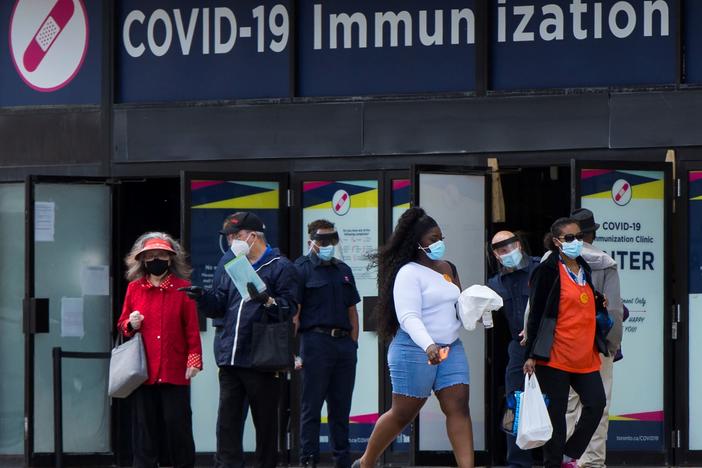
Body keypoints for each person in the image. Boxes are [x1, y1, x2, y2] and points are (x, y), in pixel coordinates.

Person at [353, 207, 474, 468]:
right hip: (415, 348)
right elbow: (409, 317)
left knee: (459, 406)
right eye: (433, 239)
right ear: (417, 242)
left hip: (450, 348)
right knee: (403, 413)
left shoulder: (448, 267)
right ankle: (366, 462)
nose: (439, 243)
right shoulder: (408, 272)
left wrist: (478, 309)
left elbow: (459, 305)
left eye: (441, 237)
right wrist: (428, 344)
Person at [181, 211, 299, 468]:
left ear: (253, 236)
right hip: (231, 357)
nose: (232, 241)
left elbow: (288, 309)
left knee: (265, 424)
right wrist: (202, 296)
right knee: (227, 423)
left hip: (262, 358)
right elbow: (219, 306)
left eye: (236, 235)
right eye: (230, 236)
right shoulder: (233, 264)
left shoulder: (280, 266)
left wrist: (267, 300)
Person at [523, 218, 607, 468]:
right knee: (555, 417)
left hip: (585, 354)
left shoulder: (584, 267)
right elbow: (536, 313)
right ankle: (553, 463)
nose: (576, 242)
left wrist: (597, 299)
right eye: (570, 238)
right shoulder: (547, 270)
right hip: (555, 355)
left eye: (579, 236)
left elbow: (583, 299)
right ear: (557, 241)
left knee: (596, 404)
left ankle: (570, 455)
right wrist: (531, 354)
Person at [117, 233, 203, 468]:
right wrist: (130, 324)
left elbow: (192, 330)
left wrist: (194, 360)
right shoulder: (135, 288)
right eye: (151, 256)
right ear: (142, 261)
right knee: (144, 430)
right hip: (143, 371)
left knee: (178, 426)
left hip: (175, 370)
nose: (156, 260)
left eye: (162, 255)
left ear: (170, 259)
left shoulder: (183, 288)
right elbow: (122, 324)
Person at [294, 219, 361, 468]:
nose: (327, 245)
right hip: (315, 343)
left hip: (343, 345)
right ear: (311, 241)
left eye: (332, 240)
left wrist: (353, 344)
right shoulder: (301, 269)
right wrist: (295, 352)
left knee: (341, 408)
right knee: (311, 407)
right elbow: (295, 314)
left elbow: (352, 310)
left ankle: (341, 460)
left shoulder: (343, 269)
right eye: (322, 241)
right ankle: (308, 459)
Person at [564, 208, 623, 468]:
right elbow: (614, 311)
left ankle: (564, 460)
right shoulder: (605, 262)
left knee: (565, 407)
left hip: (563, 347)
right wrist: (612, 345)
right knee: (598, 406)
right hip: (596, 346)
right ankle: (591, 463)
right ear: (593, 233)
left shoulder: (551, 259)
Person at [487, 231, 540, 468]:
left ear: (518, 244)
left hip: (547, 344)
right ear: (495, 256)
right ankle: (517, 462)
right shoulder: (495, 283)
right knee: (513, 404)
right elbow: (485, 316)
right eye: (500, 250)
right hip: (517, 350)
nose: (506, 253)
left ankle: (552, 458)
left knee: (552, 401)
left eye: (509, 247)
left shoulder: (541, 269)